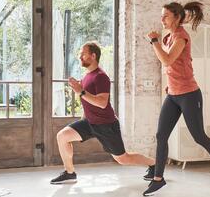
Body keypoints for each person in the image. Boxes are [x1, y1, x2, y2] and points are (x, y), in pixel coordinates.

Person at [143, 1, 210, 196]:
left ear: (177, 18)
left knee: (198, 136)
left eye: (165, 16)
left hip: (189, 95)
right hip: (173, 95)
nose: (162, 19)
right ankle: (158, 179)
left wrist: (154, 42)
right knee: (161, 135)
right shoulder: (169, 37)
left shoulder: (181, 37)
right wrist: (172, 84)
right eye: (162, 16)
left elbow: (167, 60)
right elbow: (174, 65)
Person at [50, 41, 156, 185]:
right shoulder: (87, 75)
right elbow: (87, 101)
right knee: (62, 136)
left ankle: (154, 165)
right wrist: (83, 118)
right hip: (90, 122)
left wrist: (80, 91)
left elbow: (102, 102)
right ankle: (69, 173)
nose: (80, 57)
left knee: (123, 159)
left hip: (106, 125)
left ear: (93, 56)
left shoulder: (101, 76)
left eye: (83, 54)